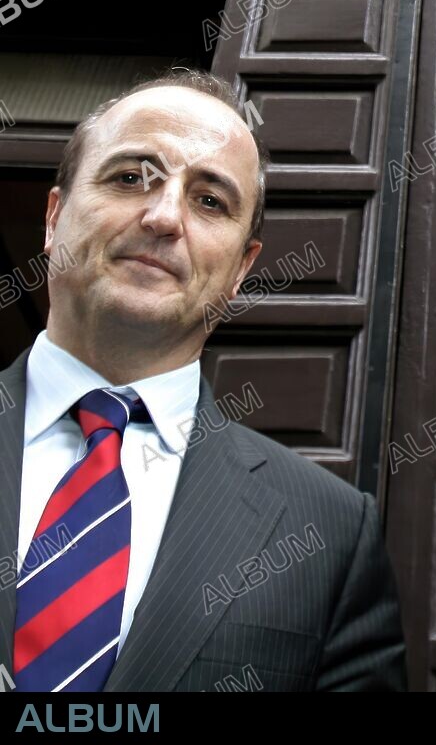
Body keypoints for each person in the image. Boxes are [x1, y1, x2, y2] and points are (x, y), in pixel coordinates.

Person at [0, 69, 406, 692]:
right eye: (131, 177)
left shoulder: (329, 535)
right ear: (54, 218)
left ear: (243, 268)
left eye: (210, 200)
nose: (164, 217)